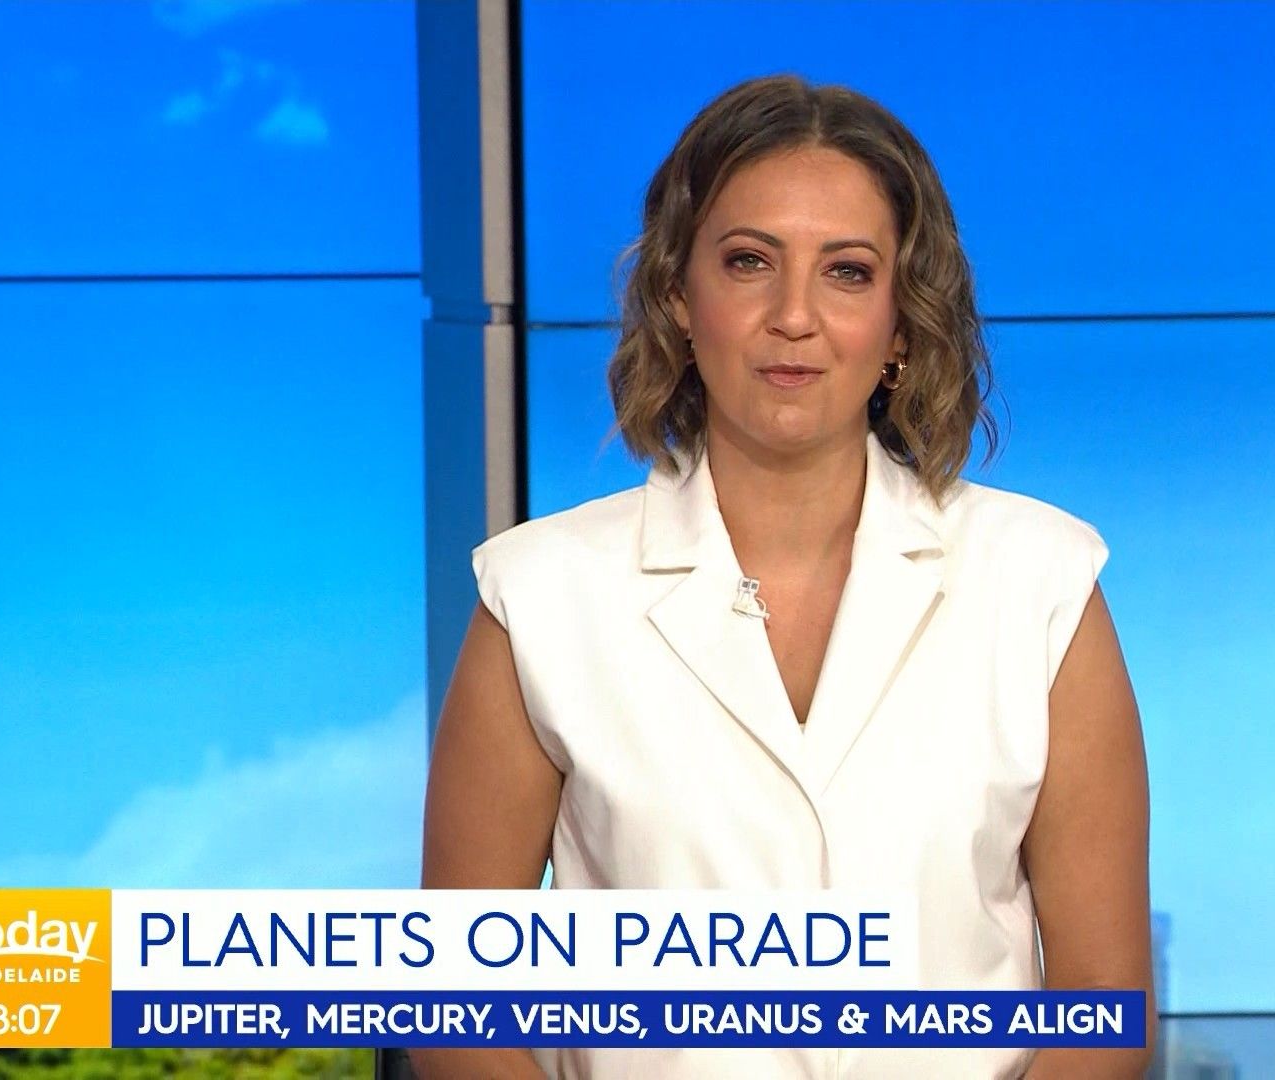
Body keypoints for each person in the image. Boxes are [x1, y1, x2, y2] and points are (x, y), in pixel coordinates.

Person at [414, 73, 1152, 1080]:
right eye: (749, 262)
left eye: (847, 272)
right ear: (679, 298)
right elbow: (459, 1014)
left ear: (902, 323)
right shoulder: (539, 597)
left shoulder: (1041, 582)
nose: (793, 315)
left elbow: (1104, 1002)